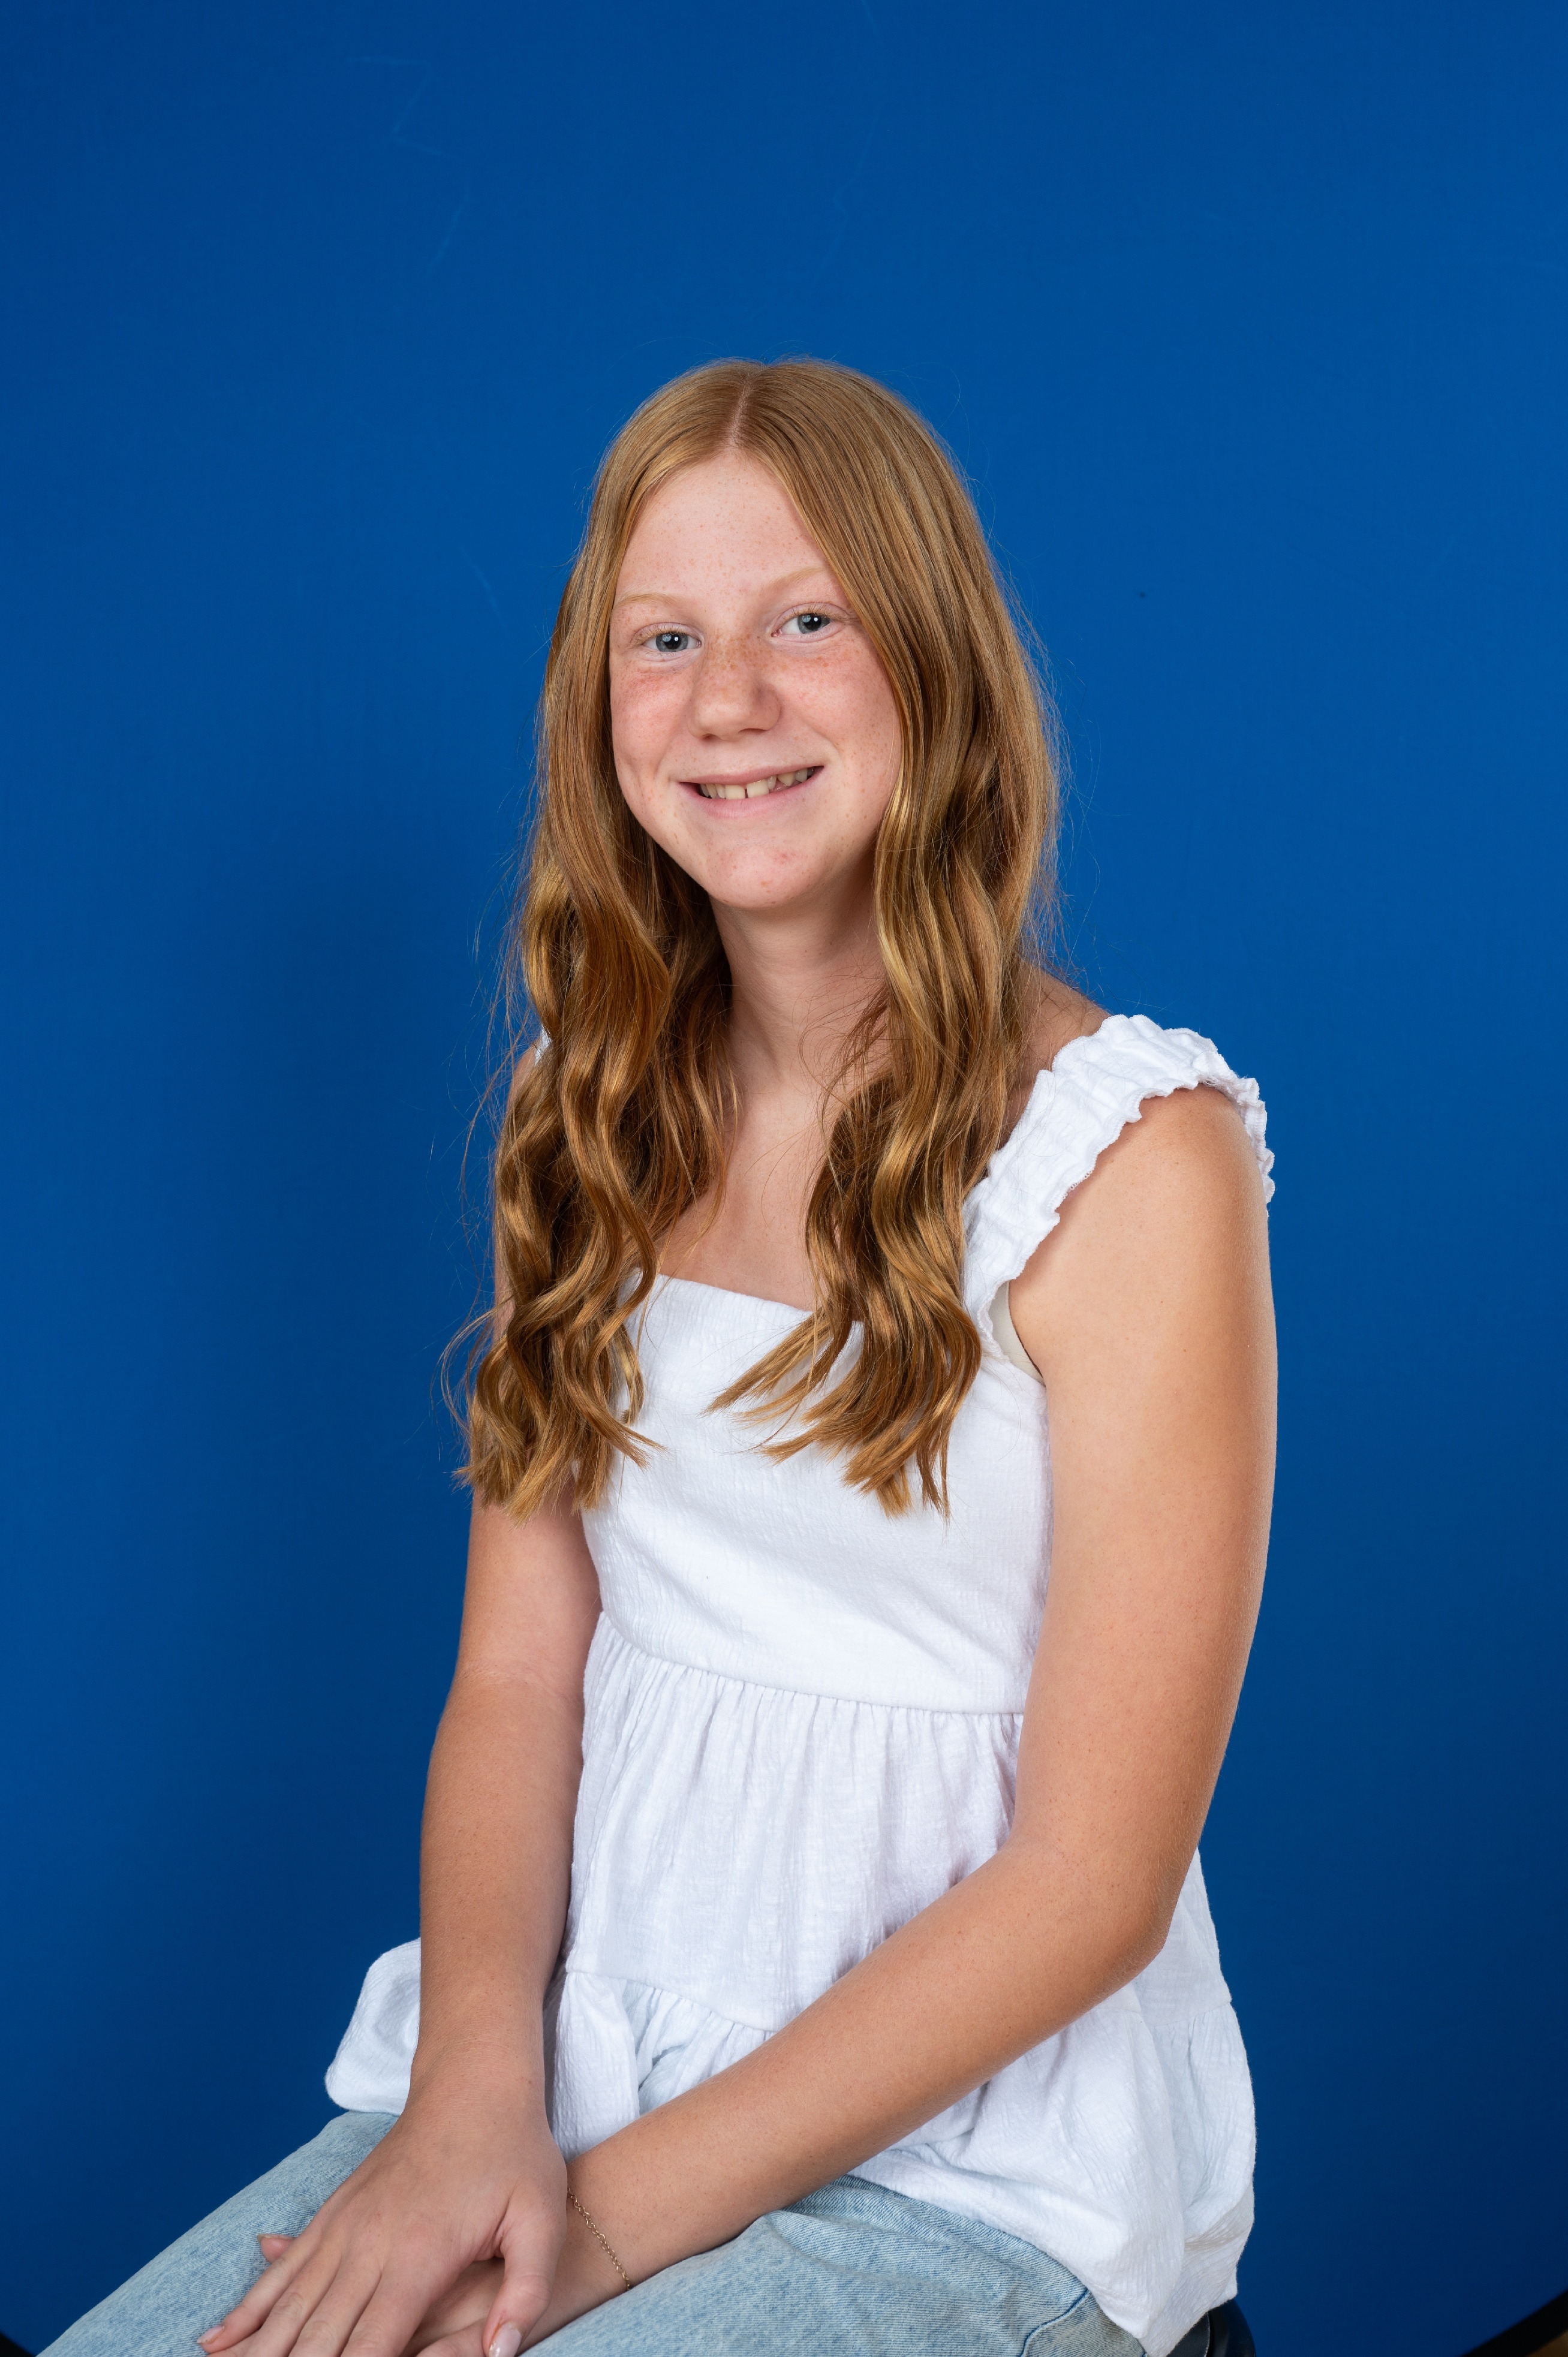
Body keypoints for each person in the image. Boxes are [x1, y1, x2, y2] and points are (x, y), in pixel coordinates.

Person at [45, 359, 1276, 2357]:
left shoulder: (1128, 1155)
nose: (729, 700)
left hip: (977, 2161)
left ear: (936, 664)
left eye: (808, 621)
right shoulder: (585, 1110)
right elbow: (518, 1677)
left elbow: (1090, 1879)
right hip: (581, 2059)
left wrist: (602, 2234)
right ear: (599, 700)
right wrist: (469, 2104)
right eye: (667, 639)